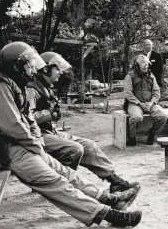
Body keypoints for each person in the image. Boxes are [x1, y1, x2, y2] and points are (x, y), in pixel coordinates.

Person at [0, 42, 142, 227]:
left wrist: (36, 141)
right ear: (16, 65)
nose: (32, 68)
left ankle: (107, 198)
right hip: (3, 149)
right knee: (55, 182)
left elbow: (28, 119)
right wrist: (35, 145)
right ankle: (107, 215)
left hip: (19, 144)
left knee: (66, 172)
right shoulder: (0, 85)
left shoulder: (15, 83)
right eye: (28, 64)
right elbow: (12, 125)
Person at [26, 52, 139, 193]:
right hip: (37, 136)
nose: (60, 73)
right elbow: (26, 117)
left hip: (50, 132)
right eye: (57, 69)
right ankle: (57, 183)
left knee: (89, 146)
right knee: (74, 149)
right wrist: (49, 114)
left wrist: (52, 114)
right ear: (46, 69)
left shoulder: (45, 88)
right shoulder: (31, 89)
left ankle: (114, 180)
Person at [124, 55, 168, 146]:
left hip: (150, 103)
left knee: (163, 116)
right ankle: (131, 136)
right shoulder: (129, 76)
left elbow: (156, 92)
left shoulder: (151, 76)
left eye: (147, 64)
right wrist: (139, 104)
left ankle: (152, 133)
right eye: (143, 64)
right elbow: (128, 93)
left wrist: (151, 103)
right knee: (136, 118)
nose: (146, 66)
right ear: (137, 65)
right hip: (135, 104)